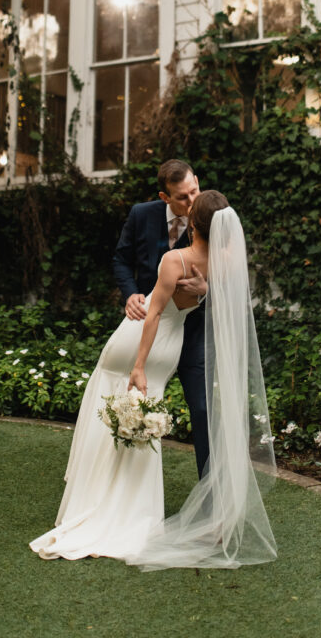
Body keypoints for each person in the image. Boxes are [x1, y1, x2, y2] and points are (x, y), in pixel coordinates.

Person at [30, 191, 277, 570]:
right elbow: (218, 303)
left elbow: (154, 315)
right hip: (172, 349)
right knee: (141, 421)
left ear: (193, 224)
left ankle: (96, 503)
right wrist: (206, 292)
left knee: (112, 407)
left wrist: (139, 365)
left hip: (139, 343)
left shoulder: (174, 259)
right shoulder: (226, 262)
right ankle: (135, 511)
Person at [112, 160, 209, 477]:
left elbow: (233, 276)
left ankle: (211, 496)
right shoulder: (142, 214)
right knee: (132, 401)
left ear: (197, 180)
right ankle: (122, 484)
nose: (192, 201)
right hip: (147, 328)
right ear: (164, 197)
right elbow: (122, 260)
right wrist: (129, 293)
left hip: (191, 330)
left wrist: (206, 288)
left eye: (194, 190)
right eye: (182, 197)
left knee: (202, 408)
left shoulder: (211, 217)